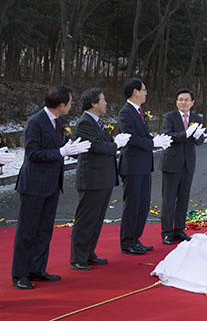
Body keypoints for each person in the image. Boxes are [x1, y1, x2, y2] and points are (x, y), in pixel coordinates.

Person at [11, 86, 90, 289]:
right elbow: (32, 153)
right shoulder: (35, 122)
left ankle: (37, 268)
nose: (71, 106)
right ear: (61, 104)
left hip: (53, 183)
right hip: (34, 184)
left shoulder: (61, 122)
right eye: (70, 103)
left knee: (45, 229)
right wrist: (60, 151)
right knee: (28, 230)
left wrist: (73, 150)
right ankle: (20, 273)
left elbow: (63, 147)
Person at [70, 88, 130, 271]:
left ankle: (89, 253)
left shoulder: (97, 122)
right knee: (86, 218)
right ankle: (78, 257)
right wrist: (115, 144)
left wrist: (114, 142)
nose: (106, 103)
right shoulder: (84, 123)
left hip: (102, 177)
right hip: (91, 178)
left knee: (97, 219)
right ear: (93, 103)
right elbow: (96, 146)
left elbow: (103, 142)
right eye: (103, 100)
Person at [117, 78, 171, 255]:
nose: (146, 93)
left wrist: (155, 141)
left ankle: (136, 238)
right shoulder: (126, 113)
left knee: (142, 204)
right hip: (132, 165)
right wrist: (151, 142)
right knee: (132, 204)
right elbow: (130, 137)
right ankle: (127, 241)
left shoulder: (139, 111)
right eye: (144, 90)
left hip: (144, 165)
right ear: (135, 92)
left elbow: (142, 135)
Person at [160, 89, 206, 244]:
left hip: (188, 164)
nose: (183, 102)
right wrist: (185, 134)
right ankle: (166, 232)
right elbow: (166, 135)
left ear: (192, 102)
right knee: (169, 199)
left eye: (186, 100)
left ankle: (179, 229)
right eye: (180, 99)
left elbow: (199, 141)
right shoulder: (169, 117)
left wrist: (198, 136)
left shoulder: (196, 118)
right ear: (176, 102)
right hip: (172, 163)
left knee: (183, 199)